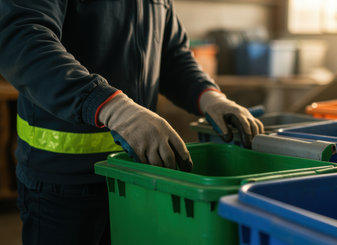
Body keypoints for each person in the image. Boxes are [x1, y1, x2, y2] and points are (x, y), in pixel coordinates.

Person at [0, 1, 264, 244]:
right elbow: (21, 38)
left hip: (135, 177)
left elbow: (171, 54)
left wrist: (209, 97)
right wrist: (112, 107)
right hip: (63, 184)